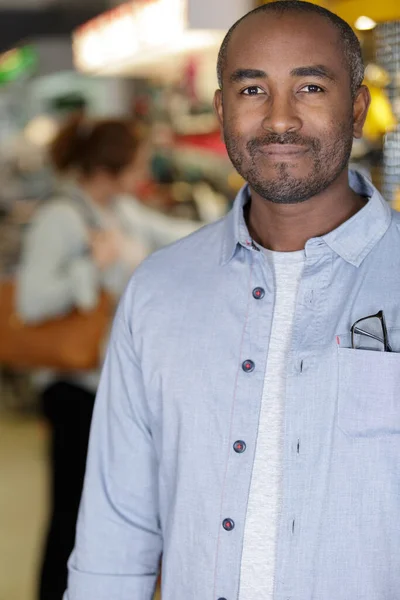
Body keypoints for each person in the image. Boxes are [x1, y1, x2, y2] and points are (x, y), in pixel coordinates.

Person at [64, 2, 399, 599]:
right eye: (252, 89)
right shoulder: (159, 291)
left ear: (356, 107)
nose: (279, 120)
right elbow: (115, 538)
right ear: (222, 109)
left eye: (311, 86)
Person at [17, 115, 154, 600]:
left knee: (99, 510)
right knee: (70, 512)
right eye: (136, 162)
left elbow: (170, 233)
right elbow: (29, 302)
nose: (143, 170)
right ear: (111, 166)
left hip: (104, 384)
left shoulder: (117, 212)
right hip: (69, 386)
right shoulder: (62, 216)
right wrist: (88, 268)